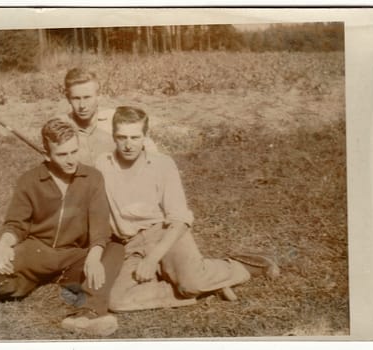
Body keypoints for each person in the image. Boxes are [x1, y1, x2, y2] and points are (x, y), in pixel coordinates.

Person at [0, 118, 124, 336]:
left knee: (114, 248)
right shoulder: (29, 181)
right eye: (62, 154)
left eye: (74, 151)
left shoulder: (92, 177)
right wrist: (4, 244)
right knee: (2, 276)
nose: (71, 160)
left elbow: (99, 224)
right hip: (38, 251)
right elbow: (15, 224)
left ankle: (87, 315)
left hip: (73, 256)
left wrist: (94, 255)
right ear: (47, 155)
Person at [95, 106, 280, 312]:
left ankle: (244, 266)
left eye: (135, 137)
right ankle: (200, 287)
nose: (128, 145)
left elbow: (179, 219)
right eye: (122, 137)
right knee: (116, 301)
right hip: (131, 245)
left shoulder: (162, 165)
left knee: (192, 283)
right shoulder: (102, 165)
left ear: (145, 136)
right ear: (113, 136)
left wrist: (153, 258)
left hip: (166, 234)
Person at [57, 68, 156, 166]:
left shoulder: (117, 119)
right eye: (76, 98)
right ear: (68, 98)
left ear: (98, 96)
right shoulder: (60, 126)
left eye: (87, 97)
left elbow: (151, 151)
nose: (82, 105)